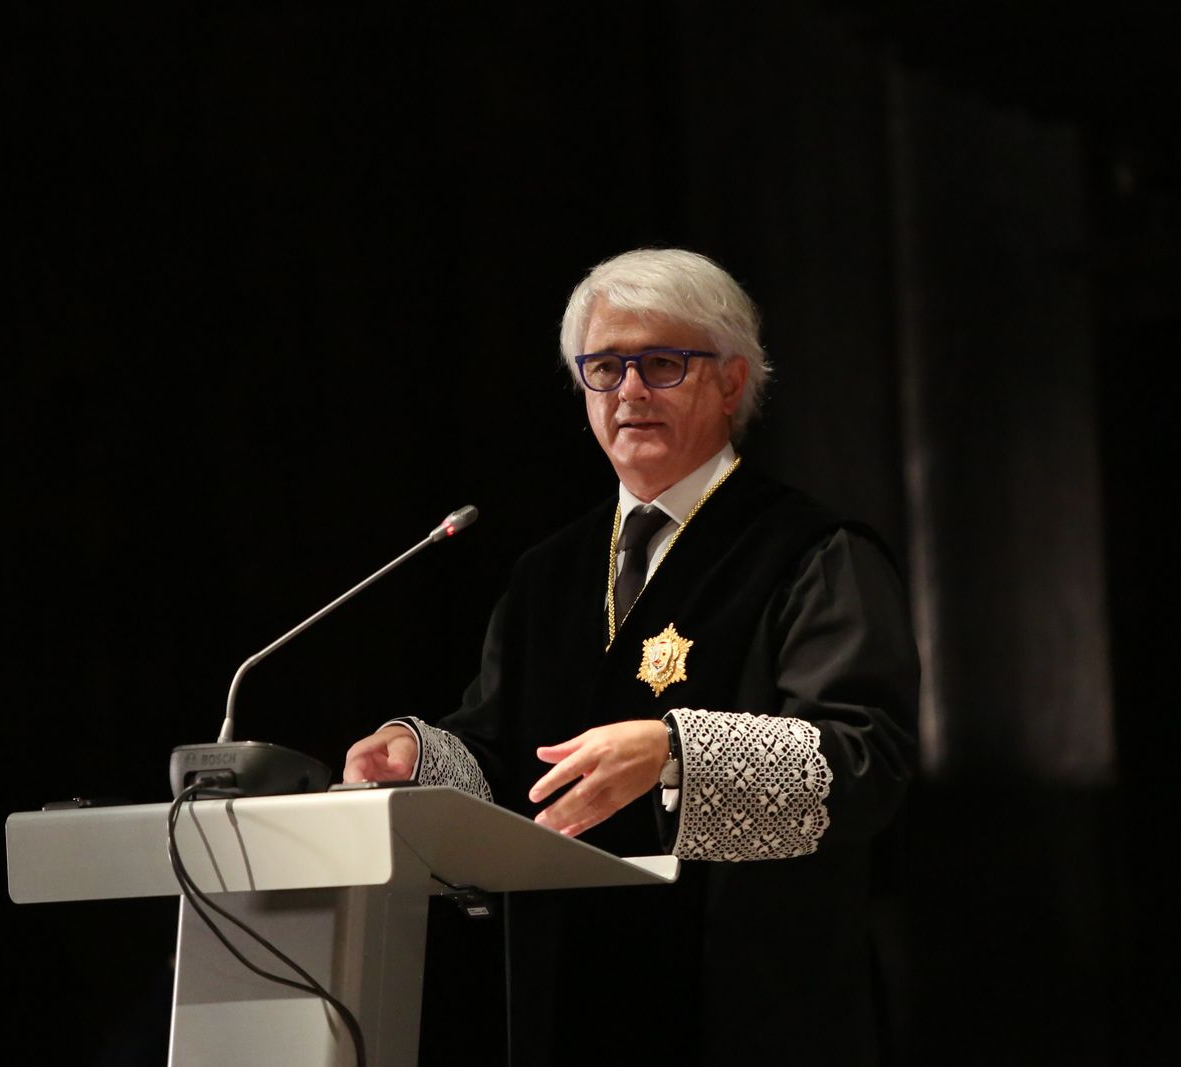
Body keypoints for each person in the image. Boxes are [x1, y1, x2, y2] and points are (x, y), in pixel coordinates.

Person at [344, 248, 921, 1064]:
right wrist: (420, 756)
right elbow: (501, 753)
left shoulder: (813, 551)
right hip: (563, 1005)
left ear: (731, 382)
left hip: (748, 1007)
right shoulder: (550, 573)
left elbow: (866, 760)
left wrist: (677, 754)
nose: (630, 392)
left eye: (661, 363)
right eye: (606, 368)